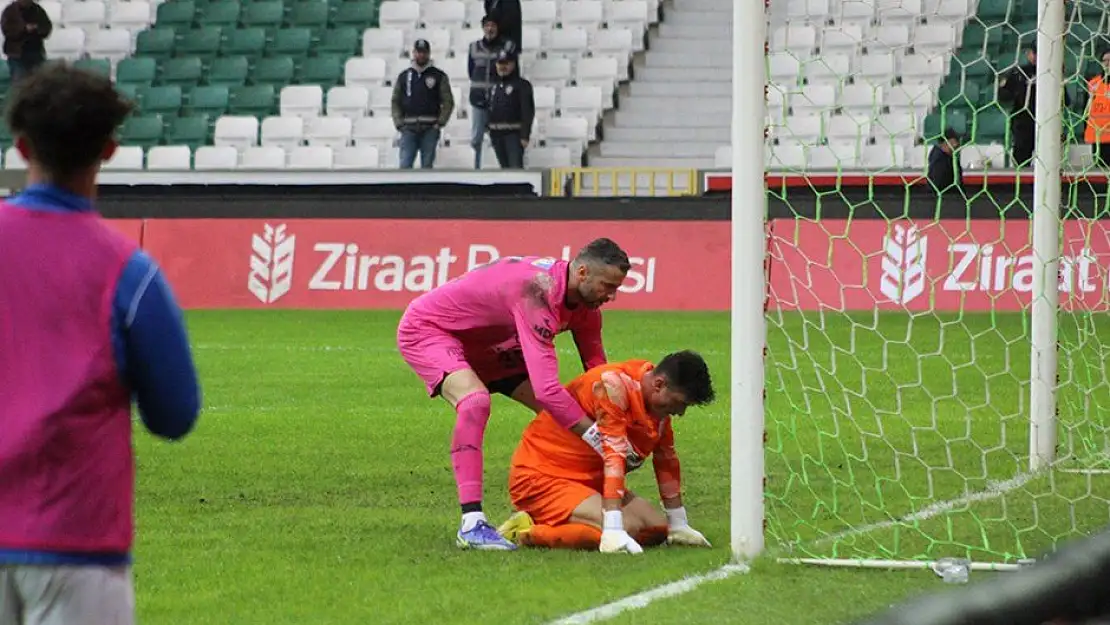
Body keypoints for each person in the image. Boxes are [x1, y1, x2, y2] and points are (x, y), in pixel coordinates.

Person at [0, 62, 202, 624]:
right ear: (109, 150)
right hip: (75, 540)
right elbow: (174, 414)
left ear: (21, 147)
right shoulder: (127, 273)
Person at [396, 239, 631, 551]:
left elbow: (597, 375)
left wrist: (618, 423)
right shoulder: (538, 293)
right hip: (431, 329)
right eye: (607, 286)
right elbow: (547, 390)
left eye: (616, 288)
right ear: (583, 272)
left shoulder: (587, 309)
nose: (612, 296)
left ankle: (571, 502)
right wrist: (601, 440)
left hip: (490, 342)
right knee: (475, 402)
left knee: (565, 416)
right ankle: (471, 524)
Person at [497, 352, 716, 554]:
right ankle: (529, 532)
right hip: (543, 476)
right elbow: (613, 453)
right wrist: (613, 527)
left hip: (589, 482)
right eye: (680, 403)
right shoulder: (612, 386)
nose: (680, 412)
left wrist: (678, 524)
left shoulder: (657, 405)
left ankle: (577, 518)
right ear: (659, 385)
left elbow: (666, 458)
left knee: (658, 528)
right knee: (625, 528)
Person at [392, 38, 454, 169]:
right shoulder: (404, 76)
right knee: (405, 165)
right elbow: (395, 101)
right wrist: (399, 123)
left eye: (424, 52)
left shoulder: (439, 76)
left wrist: (440, 123)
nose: (421, 55)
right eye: (418, 52)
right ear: (413, 53)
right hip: (408, 127)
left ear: (429, 53)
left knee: (427, 166)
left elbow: (448, 101)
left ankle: (425, 190)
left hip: (430, 127)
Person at [466, 16, 515, 169]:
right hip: (478, 100)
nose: (490, 29)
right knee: (476, 139)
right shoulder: (473, 47)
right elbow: (470, 71)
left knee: (498, 138)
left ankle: (502, 172)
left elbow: (511, 71)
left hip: (498, 101)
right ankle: (475, 171)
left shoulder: (506, 47)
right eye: (487, 25)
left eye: (493, 25)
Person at [486, 49, 534, 170]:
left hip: (513, 135)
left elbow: (527, 111)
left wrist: (525, 135)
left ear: (513, 64)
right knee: (504, 171)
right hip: (496, 135)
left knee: (515, 170)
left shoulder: (522, 85)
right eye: (500, 63)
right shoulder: (493, 85)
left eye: (506, 63)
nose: (503, 67)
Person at [1, 0, 52, 84]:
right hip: (17, 55)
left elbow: (47, 27)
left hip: (36, 52)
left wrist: (37, 28)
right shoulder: (10, 11)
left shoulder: (37, 10)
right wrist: (24, 28)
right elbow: (7, 30)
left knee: (40, 84)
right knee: (19, 84)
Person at [1084, 49, 1110, 167]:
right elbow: (1087, 111)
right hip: (1097, 136)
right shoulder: (1093, 84)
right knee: (1100, 171)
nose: (1107, 63)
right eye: (1105, 60)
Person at [927, 127, 963, 193]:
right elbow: (939, 183)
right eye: (952, 142)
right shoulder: (939, 161)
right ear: (944, 143)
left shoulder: (948, 157)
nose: (956, 145)